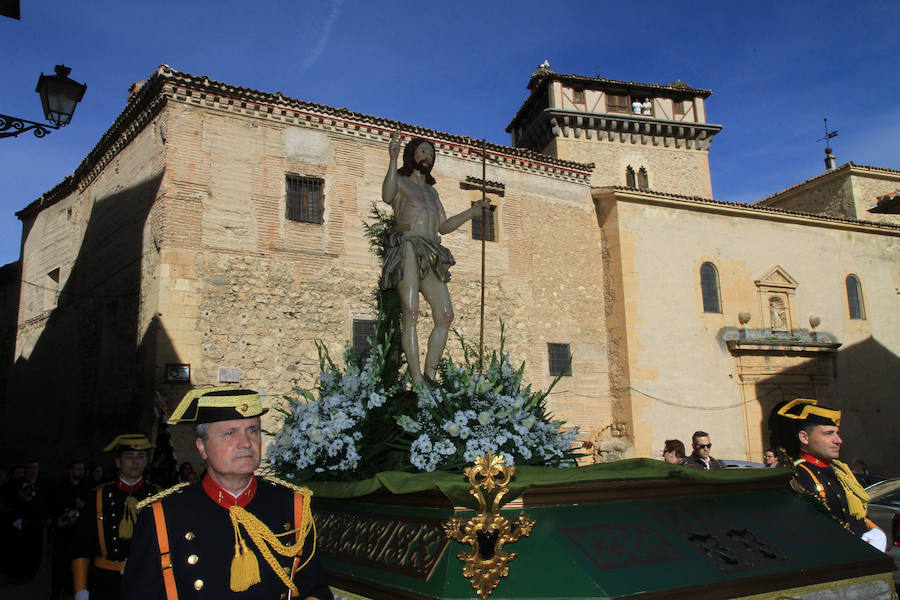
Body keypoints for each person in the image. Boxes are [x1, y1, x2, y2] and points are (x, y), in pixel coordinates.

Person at [122, 387, 333, 600]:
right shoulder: (163, 515)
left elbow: (315, 590)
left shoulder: (292, 505)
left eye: (252, 430)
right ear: (201, 447)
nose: (245, 443)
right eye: (230, 433)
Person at [380, 132, 490, 385]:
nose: (427, 157)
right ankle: (416, 377)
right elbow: (386, 196)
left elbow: (443, 226)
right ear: (411, 155)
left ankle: (429, 376)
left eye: (431, 153)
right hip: (407, 244)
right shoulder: (399, 181)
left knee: (446, 315)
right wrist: (392, 158)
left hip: (432, 250)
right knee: (411, 310)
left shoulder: (432, 193)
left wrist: (471, 212)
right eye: (422, 151)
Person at [777, 398, 886, 551]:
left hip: (860, 559)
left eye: (837, 433)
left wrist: (877, 533)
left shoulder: (841, 471)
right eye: (829, 433)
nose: (838, 440)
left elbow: (858, 514)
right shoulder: (796, 474)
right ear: (804, 437)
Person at [71, 435, 161, 600]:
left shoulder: (158, 495)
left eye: (141, 457)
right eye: (129, 457)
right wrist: (80, 588)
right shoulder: (99, 495)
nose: (136, 462)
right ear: (118, 462)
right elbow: (81, 544)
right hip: (105, 581)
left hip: (146, 580)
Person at [50, 459, 89, 600]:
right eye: (77, 469)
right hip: (63, 532)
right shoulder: (60, 486)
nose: (81, 471)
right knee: (60, 563)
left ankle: (70, 588)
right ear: (70, 470)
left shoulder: (86, 486)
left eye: (82, 469)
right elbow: (55, 505)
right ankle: (56, 591)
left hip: (78, 532)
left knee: (76, 562)